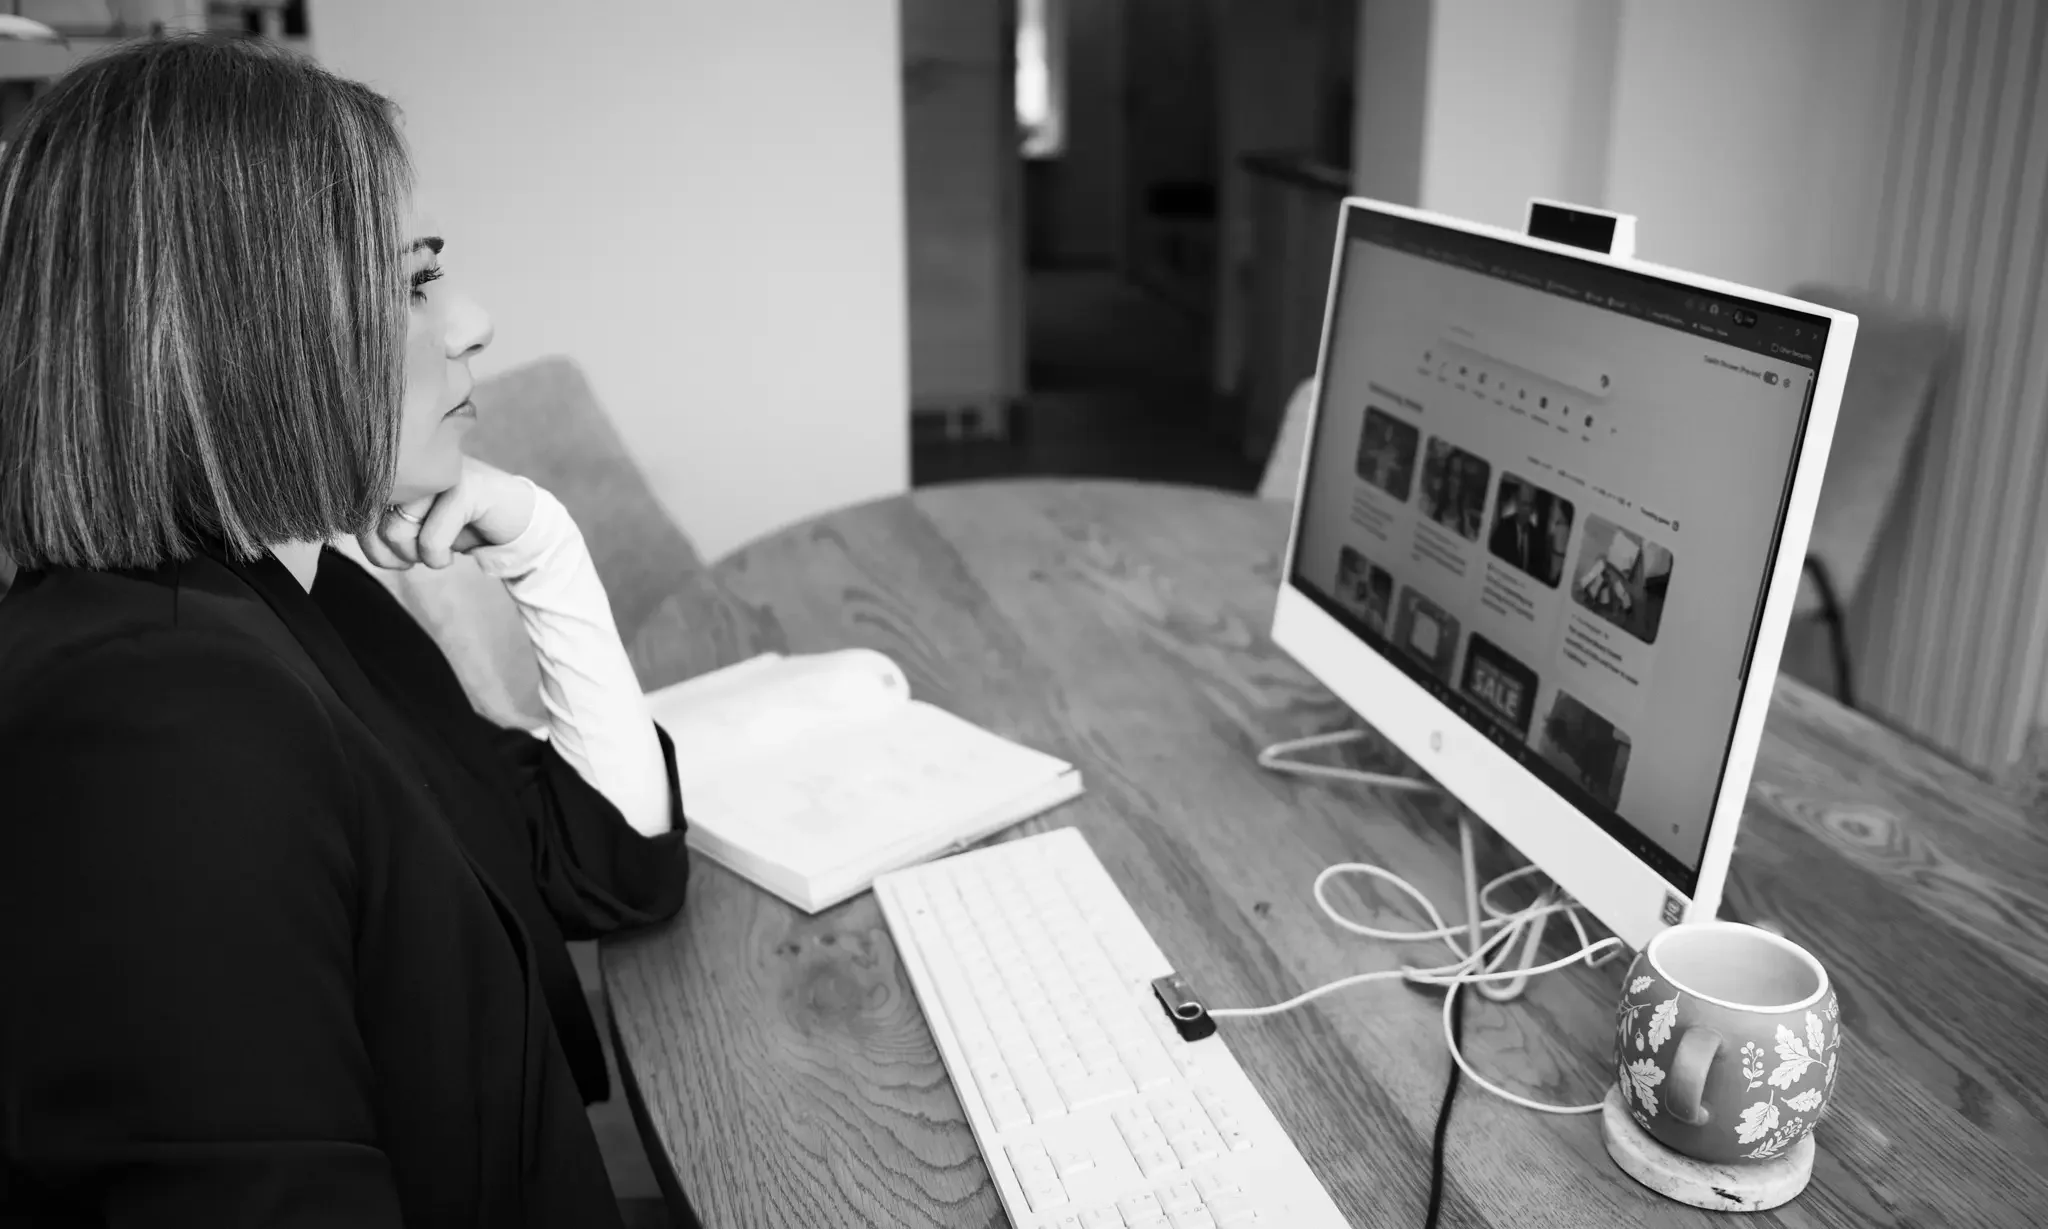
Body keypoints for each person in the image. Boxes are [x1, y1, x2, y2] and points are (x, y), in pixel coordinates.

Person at [0, 35, 692, 1228]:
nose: (472, 321)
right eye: (412, 278)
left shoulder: (293, 588)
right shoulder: (153, 720)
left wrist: (543, 544)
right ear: (236, 320)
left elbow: (607, 864)